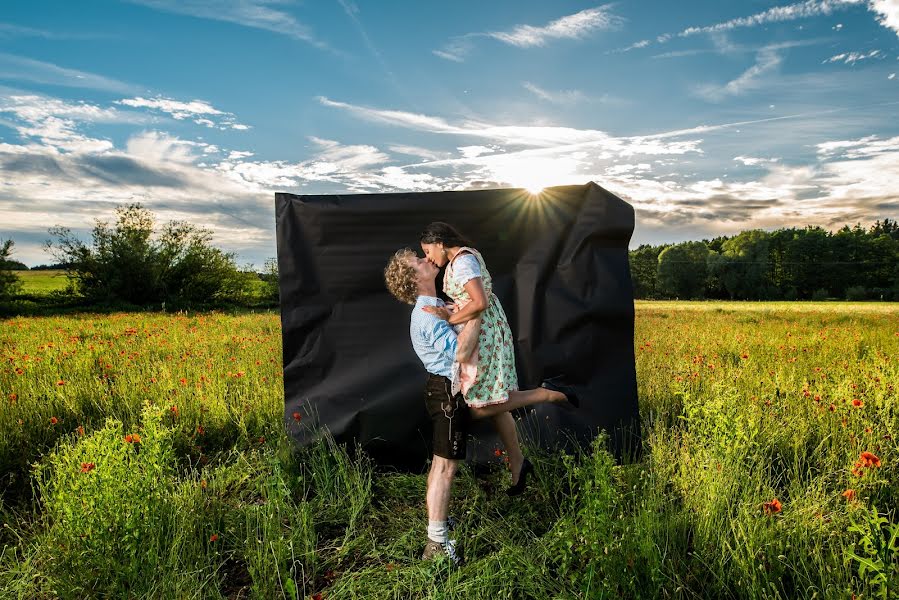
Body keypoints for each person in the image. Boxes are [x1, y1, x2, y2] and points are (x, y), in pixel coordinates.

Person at [384, 248, 576, 563]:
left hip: (450, 391)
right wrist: (476, 310)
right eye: (417, 262)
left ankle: (442, 524)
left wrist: (463, 309)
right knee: (445, 468)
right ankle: (436, 546)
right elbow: (460, 353)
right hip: (447, 394)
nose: (424, 259)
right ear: (413, 278)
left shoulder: (436, 305)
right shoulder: (426, 315)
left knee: (444, 460)